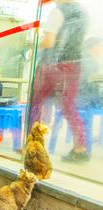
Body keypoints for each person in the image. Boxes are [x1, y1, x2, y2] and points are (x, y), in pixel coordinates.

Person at [29, 0, 89, 162]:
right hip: (74, 64)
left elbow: (49, 42)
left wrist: (32, 44)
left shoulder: (57, 12)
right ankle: (80, 148)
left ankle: (32, 145)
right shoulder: (82, 12)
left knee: (36, 103)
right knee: (69, 107)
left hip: (54, 65)